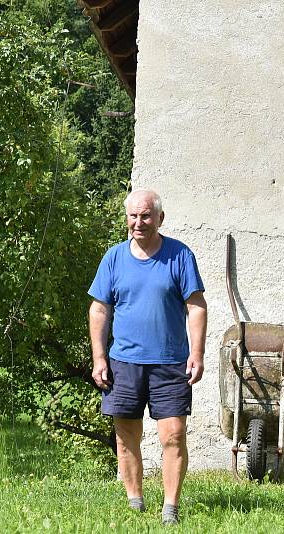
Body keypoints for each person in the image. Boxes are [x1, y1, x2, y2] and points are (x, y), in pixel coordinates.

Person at [88, 189, 207, 525]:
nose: (138, 223)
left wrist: (196, 353)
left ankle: (170, 508)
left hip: (171, 363)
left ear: (160, 218)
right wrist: (100, 358)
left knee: (173, 436)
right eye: (132, 216)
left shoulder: (180, 256)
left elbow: (196, 306)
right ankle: (135, 504)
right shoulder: (113, 258)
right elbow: (99, 309)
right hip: (123, 363)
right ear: (126, 219)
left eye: (145, 216)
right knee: (126, 438)